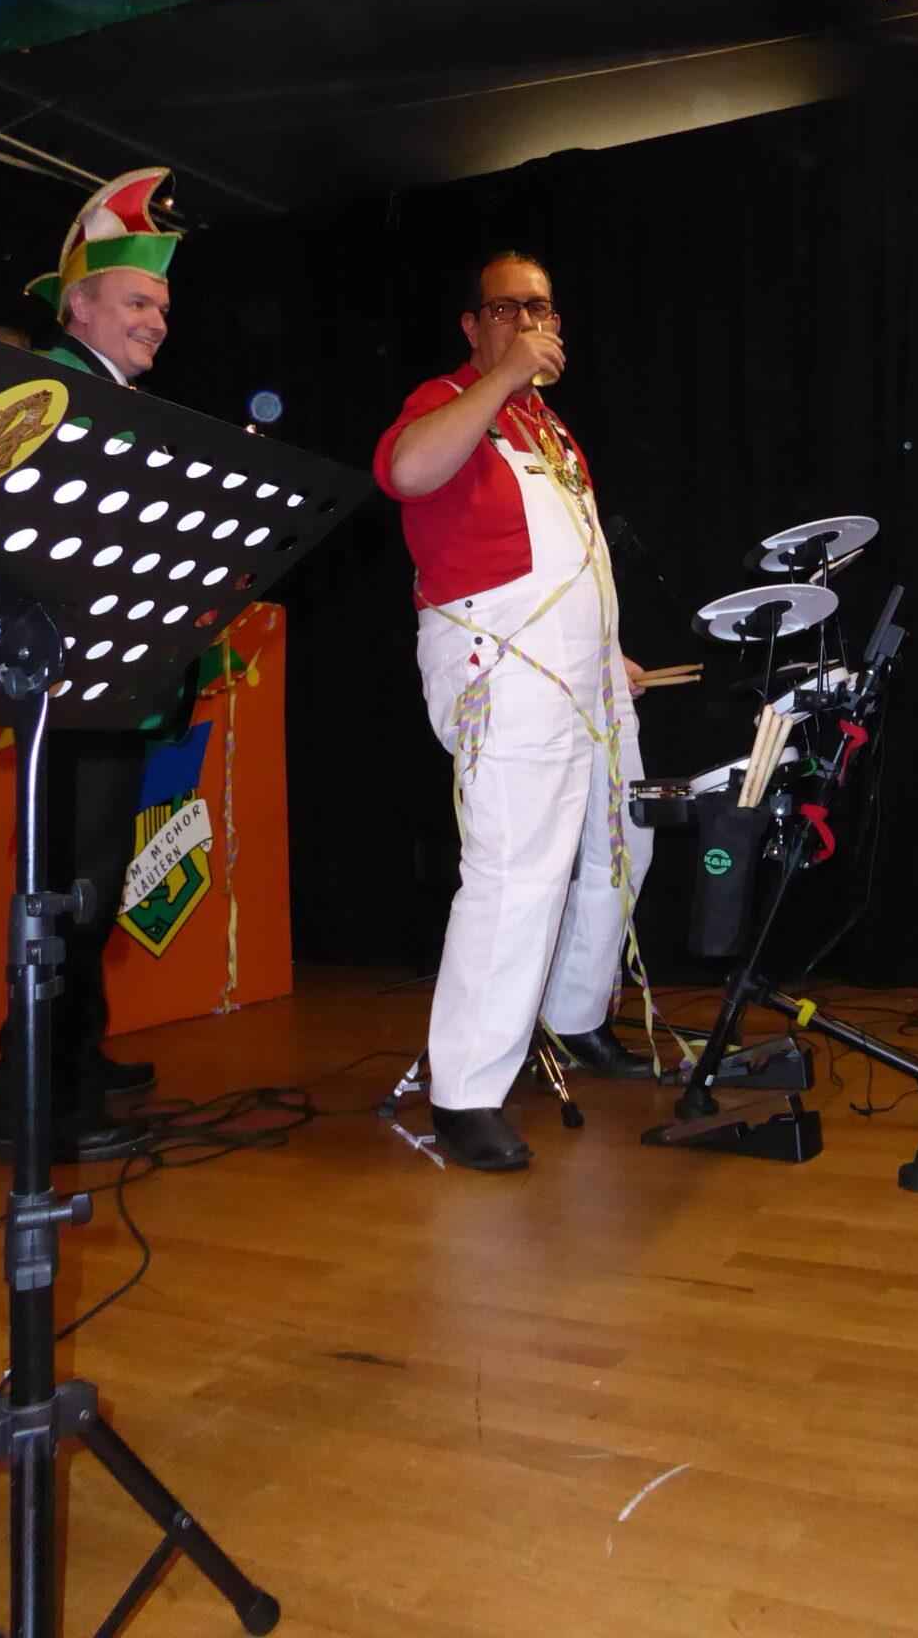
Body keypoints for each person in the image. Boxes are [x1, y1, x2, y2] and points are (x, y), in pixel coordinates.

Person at [374, 251, 654, 1172]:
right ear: (473, 325)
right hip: (506, 666)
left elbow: (574, 556)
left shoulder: (553, 430)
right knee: (516, 872)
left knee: (624, 842)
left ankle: (573, 1017)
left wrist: (608, 650)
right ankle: (465, 1090)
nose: (533, 323)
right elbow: (408, 472)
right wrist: (501, 378)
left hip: (584, 671)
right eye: (508, 308)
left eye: (544, 310)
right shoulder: (448, 400)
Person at [0, 170, 180, 1163]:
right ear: (79, 307)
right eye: (138, 302)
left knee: (86, 889)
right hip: (65, 689)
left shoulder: (113, 397)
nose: (156, 323)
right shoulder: (47, 392)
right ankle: (32, 1099)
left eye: (163, 309)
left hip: (110, 686)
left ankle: (76, 1059)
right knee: (67, 891)